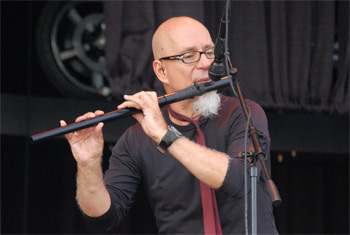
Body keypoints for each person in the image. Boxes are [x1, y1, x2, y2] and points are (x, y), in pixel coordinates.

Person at [61, 16, 278, 234]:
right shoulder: (135, 139)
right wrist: (88, 165)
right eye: (189, 56)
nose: (206, 64)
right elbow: (102, 219)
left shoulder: (244, 112)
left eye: (210, 52)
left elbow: (237, 180)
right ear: (161, 71)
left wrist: (166, 136)